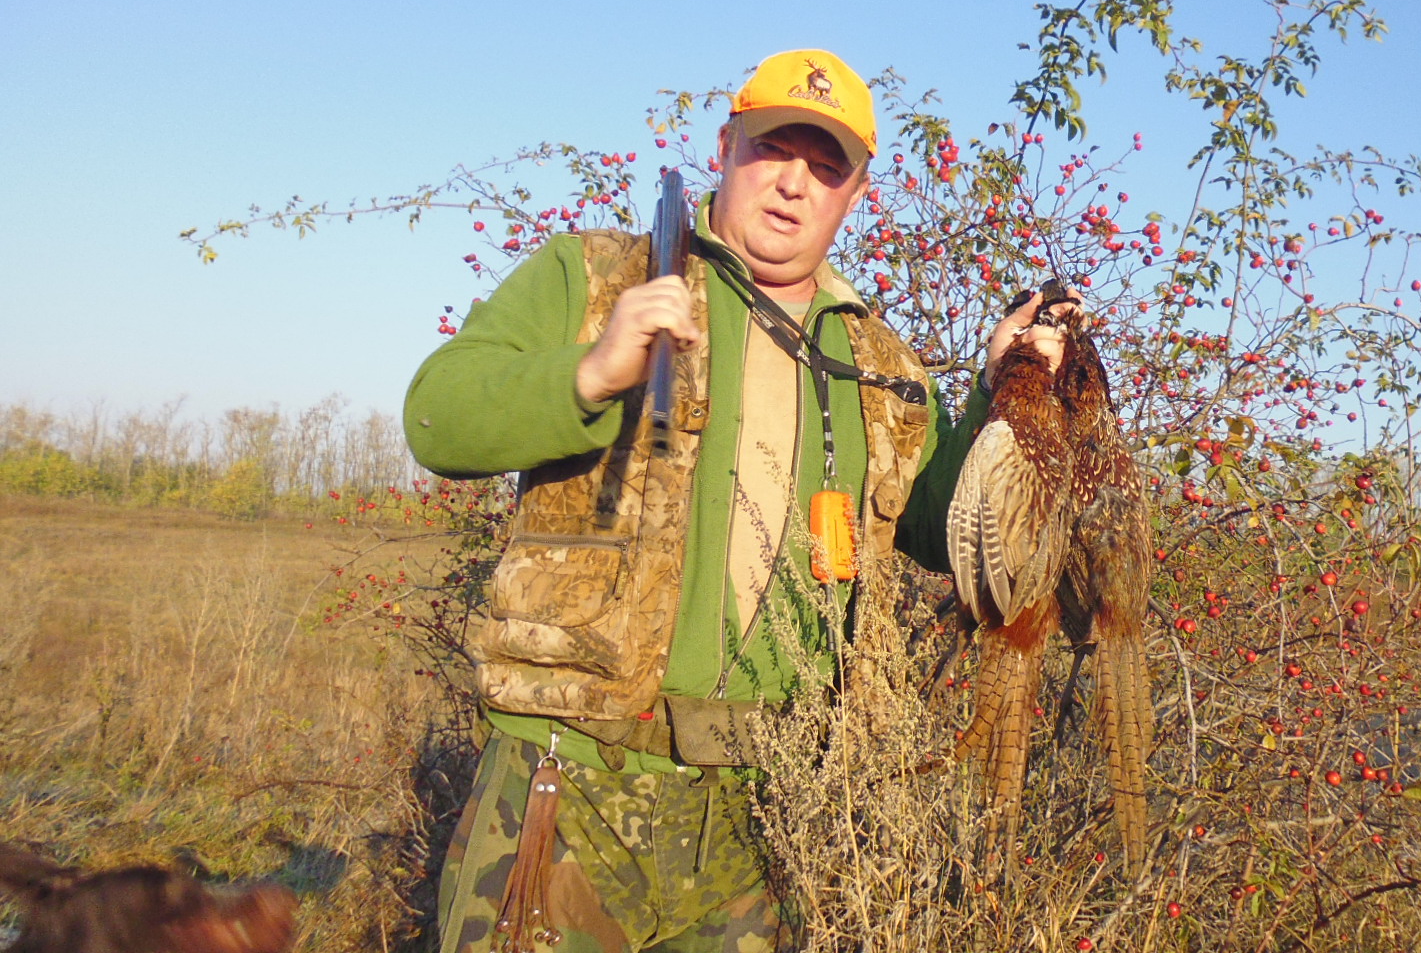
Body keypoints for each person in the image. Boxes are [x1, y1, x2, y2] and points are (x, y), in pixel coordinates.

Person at [406, 49, 1068, 953]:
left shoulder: (884, 368)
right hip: (572, 781)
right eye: (773, 150)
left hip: (762, 815)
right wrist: (594, 370)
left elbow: (953, 535)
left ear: (856, 194)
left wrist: (1007, 395)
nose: (794, 184)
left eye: (826, 166)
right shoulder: (598, 278)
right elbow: (438, 419)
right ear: (724, 148)